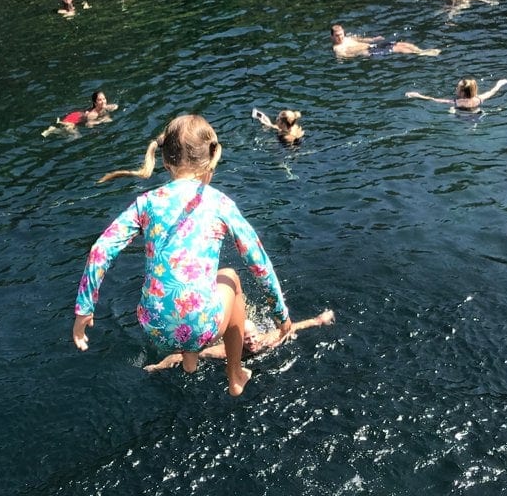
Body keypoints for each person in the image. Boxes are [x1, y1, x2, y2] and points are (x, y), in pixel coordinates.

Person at [72, 114, 292, 396]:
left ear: (165, 161)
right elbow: (258, 261)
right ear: (212, 159)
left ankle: (189, 361)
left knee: (184, 296)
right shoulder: (220, 203)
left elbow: (100, 250)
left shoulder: (145, 203)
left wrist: (84, 310)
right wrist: (281, 316)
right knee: (230, 278)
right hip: (202, 326)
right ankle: (235, 375)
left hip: (153, 325)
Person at [143, 309, 334, 372]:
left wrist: (318, 320)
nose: (251, 342)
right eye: (246, 339)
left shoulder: (267, 340)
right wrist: (158, 366)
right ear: (240, 341)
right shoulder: (226, 351)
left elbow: (293, 327)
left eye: (253, 337)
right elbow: (184, 355)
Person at [330, 24, 439, 57]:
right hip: (369, 51)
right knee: (398, 49)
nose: (340, 37)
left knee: (401, 43)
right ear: (332, 37)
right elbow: (345, 56)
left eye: (341, 34)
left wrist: (373, 39)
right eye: (337, 36)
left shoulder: (348, 38)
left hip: (372, 45)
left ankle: (421, 50)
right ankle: (421, 54)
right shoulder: (337, 48)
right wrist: (361, 53)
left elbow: (361, 39)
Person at [405, 78, 507, 111]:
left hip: (462, 116)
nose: (456, 89)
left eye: (457, 88)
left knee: (452, 111)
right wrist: (499, 84)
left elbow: (432, 99)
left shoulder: (456, 102)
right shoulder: (479, 99)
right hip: (477, 113)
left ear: (462, 92)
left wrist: (417, 95)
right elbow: (492, 91)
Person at [42, 90, 118, 135]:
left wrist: (106, 107)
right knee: (76, 136)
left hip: (78, 115)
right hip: (73, 119)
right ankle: (53, 130)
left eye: (104, 99)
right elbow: (89, 124)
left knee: (69, 132)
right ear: (95, 103)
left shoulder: (103, 106)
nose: (103, 101)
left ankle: (53, 129)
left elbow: (115, 106)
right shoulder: (92, 114)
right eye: (100, 100)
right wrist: (102, 120)